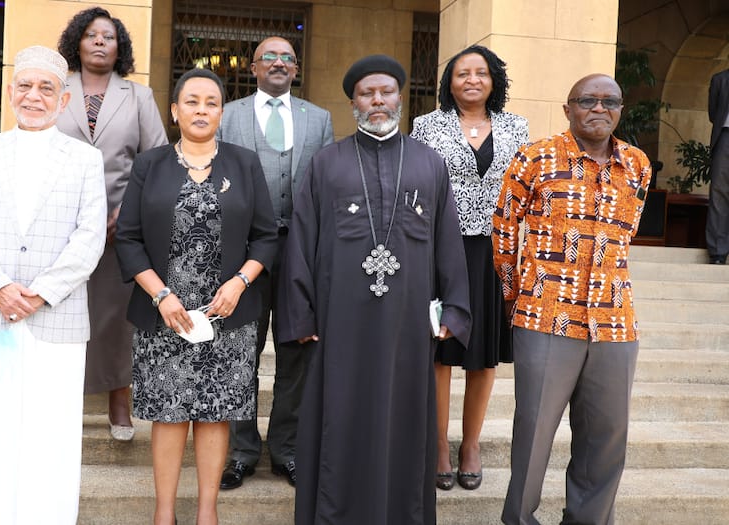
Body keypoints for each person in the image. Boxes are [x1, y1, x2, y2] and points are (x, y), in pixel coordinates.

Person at [277, 54, 471, 524]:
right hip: (340, 324)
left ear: (400, 99)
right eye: (367, 93)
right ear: (352, 103)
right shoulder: (327, 164)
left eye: (386, 92)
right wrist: (300, 315)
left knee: (404, 427)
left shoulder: (430, 164)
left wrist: (455, 310)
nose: (378, 100)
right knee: (339, 422)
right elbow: (301, 238)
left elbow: (448, 239)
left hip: (407, 328)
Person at [0, 45, 106, 524]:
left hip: (55, 318)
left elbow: (90, 235)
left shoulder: (84, 159)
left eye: (46, 88)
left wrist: (39, 292)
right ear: (10, 93)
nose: (33, 96)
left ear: (62, 101)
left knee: (49, 432)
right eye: (24, 86)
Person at [115, 68, 277, 525]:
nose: (201, 110)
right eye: (192, 101)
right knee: (168, 416)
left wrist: (240, 281)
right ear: (174, 110)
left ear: (222, 112)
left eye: (211, 102)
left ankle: (208, 513)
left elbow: (267, 237)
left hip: (227, 314)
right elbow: (128, 239)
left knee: (216, 414)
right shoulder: (150, 165)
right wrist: (161, 294)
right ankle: (163, 514)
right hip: (163, 314)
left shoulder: (245, 163)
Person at [494, 74, 651, 525]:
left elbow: (627, 234)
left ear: (621, 110)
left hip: (615, 321)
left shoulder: (637, 164)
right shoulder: (537, 157)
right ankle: (519, 519)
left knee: (605, 437)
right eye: (587, 100)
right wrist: (515, 295)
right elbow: (504, 229)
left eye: (610, 101)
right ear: (568, 109)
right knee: (535, 431)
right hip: (545, 316)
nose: (599, 108)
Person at [215, 35, 333, 489]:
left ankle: (287, 448)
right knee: (240, 351)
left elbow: (327, 186)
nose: (279, 63)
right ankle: (241, 450)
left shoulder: (319, 119)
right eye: (270, 57)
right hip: (242, 257)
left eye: (288, 57)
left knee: (296, 353)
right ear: (254, 66)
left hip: (302, 253)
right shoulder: (231, 116)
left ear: (296, 68)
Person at [410, 44, 529, 491]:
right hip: (440, 249)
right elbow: (416, 187)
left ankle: (471, 444)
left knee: (483, 353)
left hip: (496, 253)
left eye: (481, 73)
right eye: (462, 74)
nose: (472, 80)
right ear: (449, 82)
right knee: (441, 349)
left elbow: (524, 192)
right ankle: (439, 444)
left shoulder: (518, 128)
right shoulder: (426, 126)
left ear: (494, 79)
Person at [56, 6, 168, 441]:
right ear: (77, 43)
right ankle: (62, 398)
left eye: (109, 36)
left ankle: (119, 401)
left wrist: (128, 213)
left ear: (120, 46)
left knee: (114, 316)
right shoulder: (54, 89)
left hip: (120, 226)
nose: (100, 41)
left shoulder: (137, 96)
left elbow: (156, 159)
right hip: (60, 225)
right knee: (62, 312)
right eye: (91, 35)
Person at [707, 69, 729, 264]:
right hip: (724, 138)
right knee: (719, 194)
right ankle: (718, 252)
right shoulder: (720, 79)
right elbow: (714, 114)